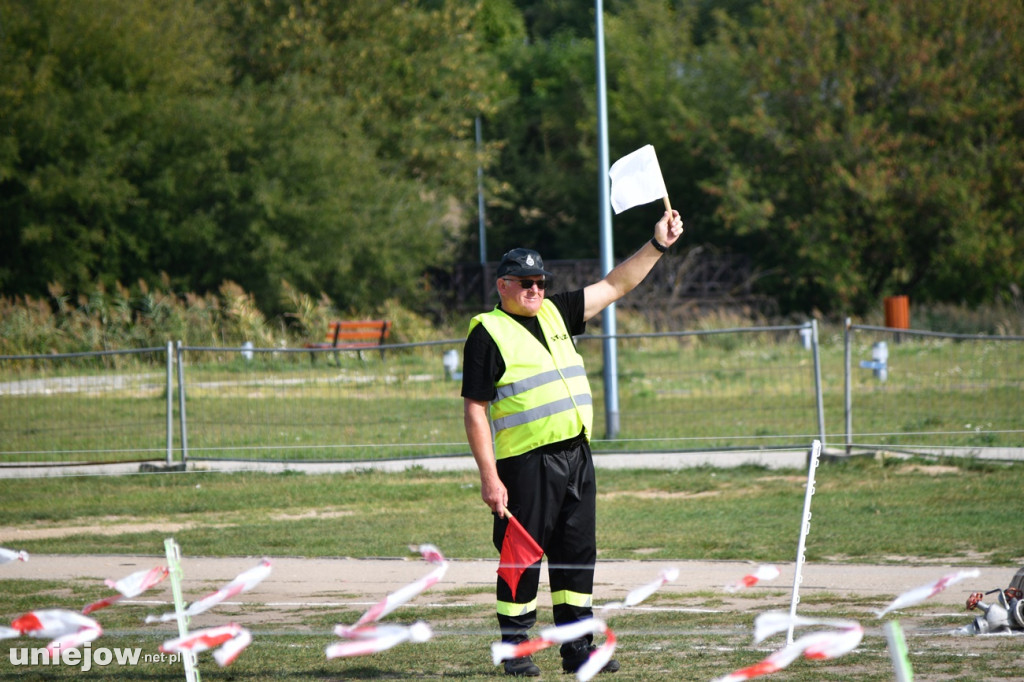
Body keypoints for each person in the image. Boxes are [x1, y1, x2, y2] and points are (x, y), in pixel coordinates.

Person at [461, 209, 685, 677]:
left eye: (539, 281)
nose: (535, 289)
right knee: (521, 554)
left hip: (577, 455)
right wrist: (489, 477)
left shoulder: (557, 312)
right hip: (526, 463)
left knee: (577, 552)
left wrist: (658, 244)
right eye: (524, 282)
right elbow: (475, 410)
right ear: (502, 285)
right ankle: (516, 647)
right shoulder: (487, 331)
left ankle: (577, 647)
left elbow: (616, 285)